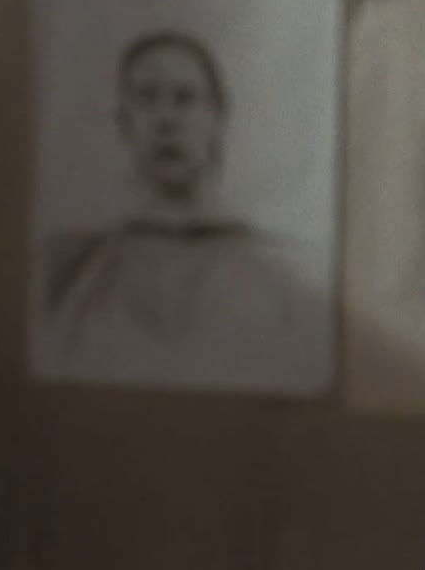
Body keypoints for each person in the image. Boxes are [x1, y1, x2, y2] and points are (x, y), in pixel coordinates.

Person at [38, 30, 300, 372]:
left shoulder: (283, 278)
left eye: (185, 98)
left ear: (217, 116)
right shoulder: (71, 273)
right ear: (124, 122)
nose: (166, 119)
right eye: (147, 99)